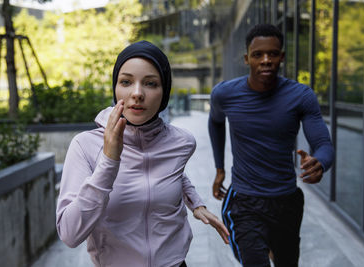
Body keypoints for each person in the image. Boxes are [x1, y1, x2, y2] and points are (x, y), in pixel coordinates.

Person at [56, 40, 229, 267]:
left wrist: (196, 204)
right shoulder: (85, 145)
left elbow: (170, 173)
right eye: (126, 82)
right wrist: (109, 161)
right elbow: (69, 234)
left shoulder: (182, 142)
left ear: (164, 92)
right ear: (115, 87)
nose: (137, 93)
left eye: (150, 83)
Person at [208, 24, 334, 267]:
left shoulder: (301, 96)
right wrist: (219, 169)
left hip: (287, 202)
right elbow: (215, 123)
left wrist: (321, 163)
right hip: (245, 201)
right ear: (247, 59)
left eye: (272, 54)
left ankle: (273, 249)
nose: (266, 60)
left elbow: (323, 144)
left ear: (281, 57)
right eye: (258, 55)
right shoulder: (225, 94)